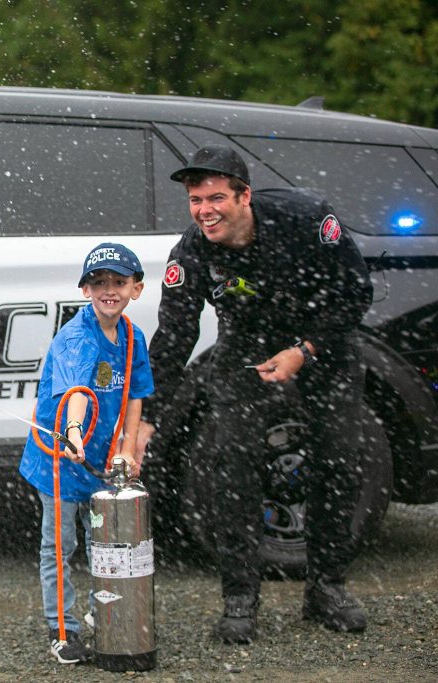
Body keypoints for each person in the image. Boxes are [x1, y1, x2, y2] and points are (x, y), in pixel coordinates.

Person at [137, 145, 373, 644]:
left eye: (217, 197)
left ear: (245, 196)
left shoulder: (306, 218)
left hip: (323, 347)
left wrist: (303, 350)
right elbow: (174, 338)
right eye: (196, 199)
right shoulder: (193, 250)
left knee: (338, 463)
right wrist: (147, 418)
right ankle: (240, 599)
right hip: (244, 351)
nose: (205, 210)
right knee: (234, 469)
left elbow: (356, 292)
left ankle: (326, 589)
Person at [18, 243, 154, 664]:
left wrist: (128, 448)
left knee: (106, 541)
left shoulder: (133, 337)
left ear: (137, 289)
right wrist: (74, 432)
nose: (108, 290)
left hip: (100, 461)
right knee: (60, 545)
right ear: (85, 290)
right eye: (98, 283)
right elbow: (77, 392)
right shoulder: (76, 338)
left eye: (118, 282)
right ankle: (63, 629)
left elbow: (135, 395)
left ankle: (105, 611)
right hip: (60, 460)